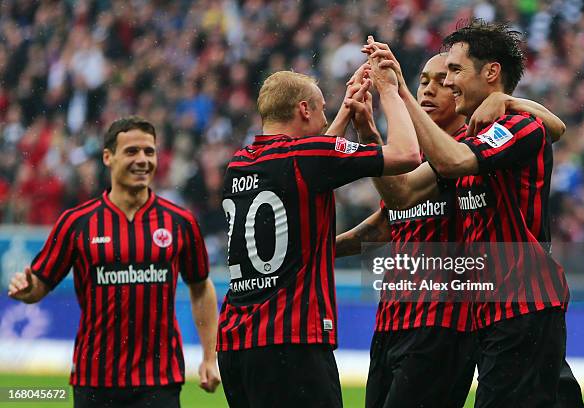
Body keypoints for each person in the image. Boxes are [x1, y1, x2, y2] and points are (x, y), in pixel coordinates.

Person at [364, 20, 584, 408]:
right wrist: (372, 139)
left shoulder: (518, 125)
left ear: (491, 72)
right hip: (493, 314)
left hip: (523, 306)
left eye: (454, 71)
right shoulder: (471, 137)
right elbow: (401, 194)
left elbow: (454, 161)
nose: (446, 83)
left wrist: (400, 92)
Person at [216, 58, 422, 407]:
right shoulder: (306, 156)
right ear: (303, 109)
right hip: (291, 342)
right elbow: (407, 154)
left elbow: (311, 163)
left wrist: (344, 111)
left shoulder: (241, 162)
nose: (328, 118)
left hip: (237, 344)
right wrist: (390, 89)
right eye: (322, 109)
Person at [7, 116, 221, 408]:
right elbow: (39, 285)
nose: (142, 160)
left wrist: (210, 357)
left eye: (149, 151)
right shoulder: (76, 223)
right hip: (94, 381)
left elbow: (200, 287)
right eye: (132, 151)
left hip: (159, 382)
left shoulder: (180, 222)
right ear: (108, 157)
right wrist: (26, 287)